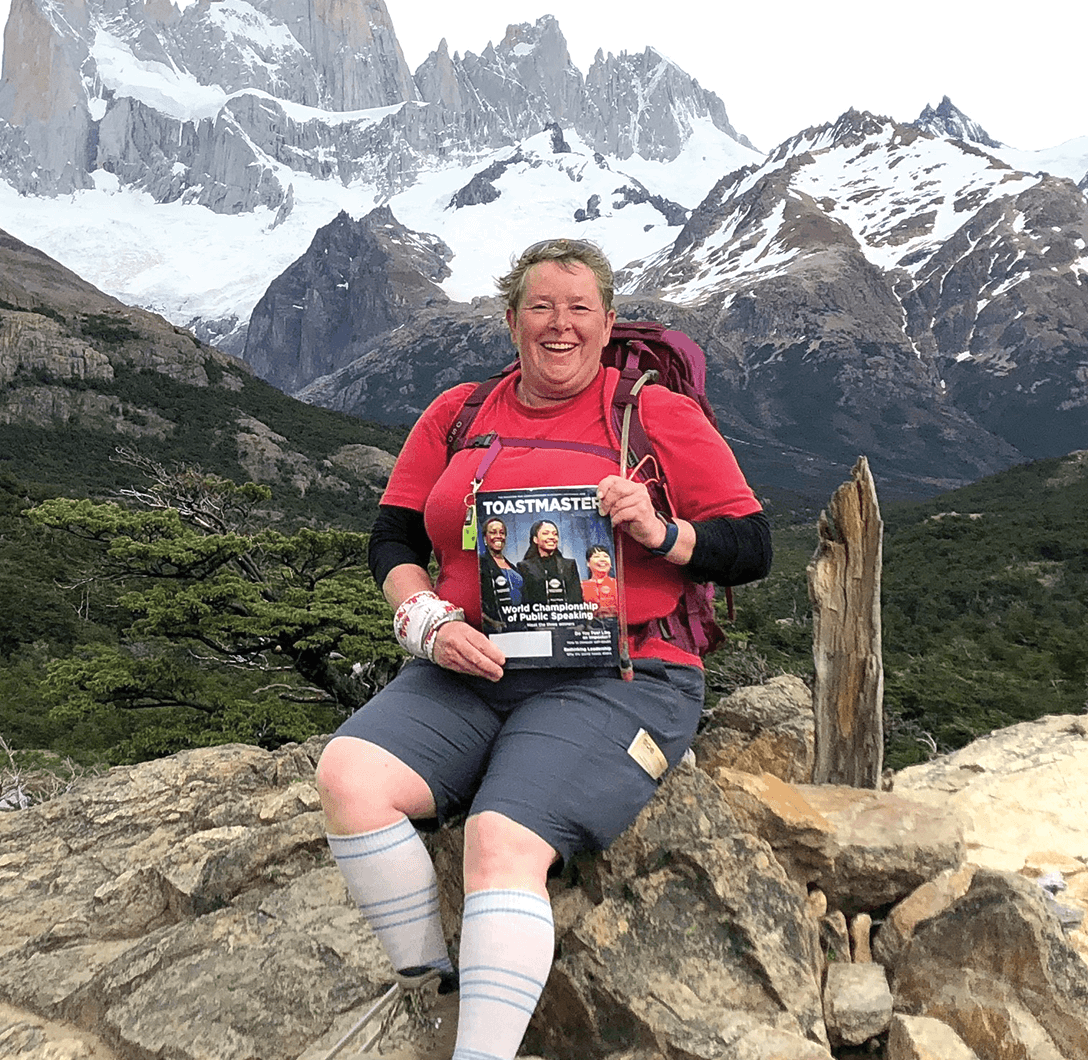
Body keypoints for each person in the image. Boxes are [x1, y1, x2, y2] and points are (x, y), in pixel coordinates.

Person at [314, 237, 771, 1060]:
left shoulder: (652, 414)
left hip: (623, 673)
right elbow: (392, 534)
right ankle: (435, 985)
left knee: (501, 837)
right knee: (349, 777)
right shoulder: (459, 411)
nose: (559, 326)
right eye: (540, 307)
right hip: (473, 662)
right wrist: (423, 620)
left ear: (606, 323)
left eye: (579, 308)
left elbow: (752, 544)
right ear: (512, 319)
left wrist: (661, 532)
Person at [514, 519, 582, 608]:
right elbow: (525, 602)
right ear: (535, 539)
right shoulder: (524, 567)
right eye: (546, 533)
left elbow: (577, 600)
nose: (552, 537)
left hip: (566, 619)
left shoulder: (569, 565)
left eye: (555, 534)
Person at [478, 517, 523, 630]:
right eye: (493, 532)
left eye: (502, 533)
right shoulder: (480, 564)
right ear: (485, 538)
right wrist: (492, 623)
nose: (498, 536)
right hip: (497, 628)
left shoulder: (513, 566)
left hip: (519, 626)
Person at [580, 544, 617, 618]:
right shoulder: (581, 586)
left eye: (606, 556)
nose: (602, 559)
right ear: (588, 563)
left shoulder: (618, 584)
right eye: (597, 556)